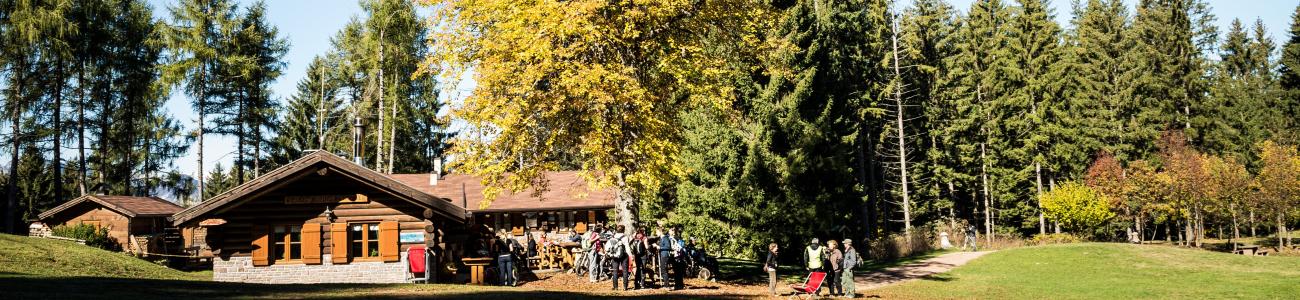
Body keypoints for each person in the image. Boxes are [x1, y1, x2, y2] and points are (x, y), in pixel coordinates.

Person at [608, 225, 631, 290]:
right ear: (623, 230)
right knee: (625, 271)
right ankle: (625, 287)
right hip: (624, 255)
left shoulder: (613, 236)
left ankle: (615, 287)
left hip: (615, 255)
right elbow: (627, 247)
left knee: (615, 271)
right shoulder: (625, 237)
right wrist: (630, 255)